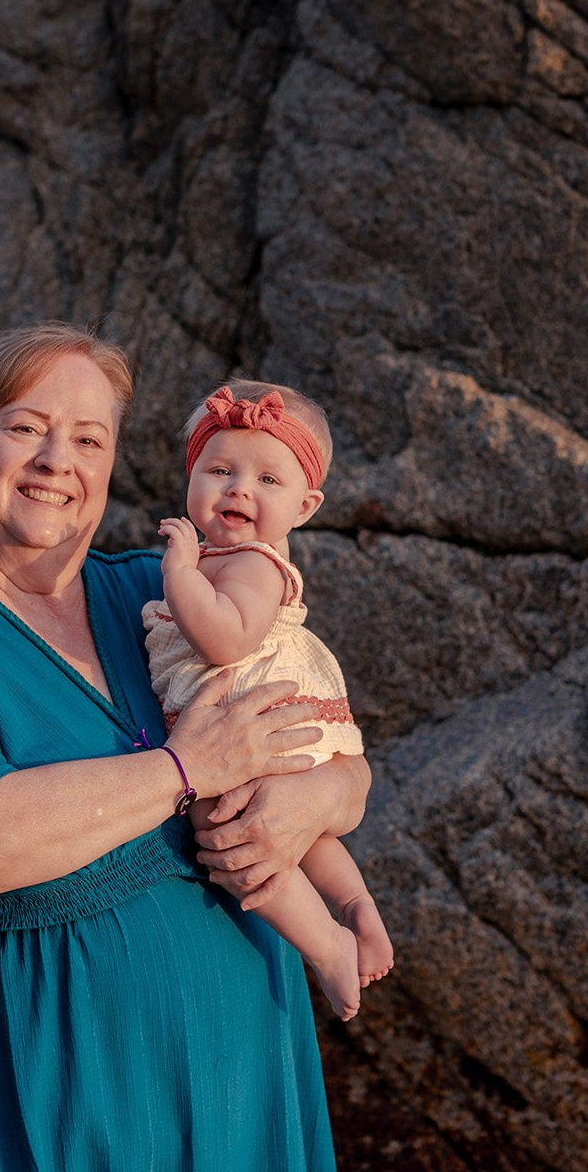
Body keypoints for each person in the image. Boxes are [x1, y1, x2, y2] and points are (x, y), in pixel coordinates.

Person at [0, 323, 366, 1170]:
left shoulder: (168, 599)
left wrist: (315, 800)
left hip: (237, 1087)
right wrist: (187, 769)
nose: (54, 461)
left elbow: (342, 763)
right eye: (26, 428)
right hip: (15, 1094)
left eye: (87, 439)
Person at [145, 382, 393, 1020]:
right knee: (295, 833)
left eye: (267, 479)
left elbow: (225, 639)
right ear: (191, 476)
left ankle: (326, 946)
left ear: (306, 506)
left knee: (227, 830)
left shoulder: (251, 563)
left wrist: (176, 574)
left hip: (249, 714)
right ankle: (355, 906)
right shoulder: (220, 558)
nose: (239, 489)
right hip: (249, 724)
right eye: (220, 470)